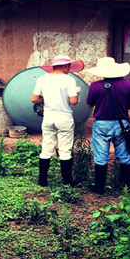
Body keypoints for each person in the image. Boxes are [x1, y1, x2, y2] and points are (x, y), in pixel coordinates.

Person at [83, 57, 130, 193]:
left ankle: (99, 188)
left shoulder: (95, 86)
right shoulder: (129, 85)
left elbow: (89, 104)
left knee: (101, 156)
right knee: (124, 155)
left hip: (102, 124)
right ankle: (127, 186)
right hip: (122, 124)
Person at [31, 55, 82, 187]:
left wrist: (45, 99)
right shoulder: (69, 80)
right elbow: (73, 101)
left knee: (46, 148)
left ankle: (42, 180)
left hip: (48, 118)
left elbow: (34, 98)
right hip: (64, 118)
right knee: (65, 150)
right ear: (65, 66)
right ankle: (67, 181)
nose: (69, 70)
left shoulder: (43, 79)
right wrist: (77, 94)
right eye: (69, 67)